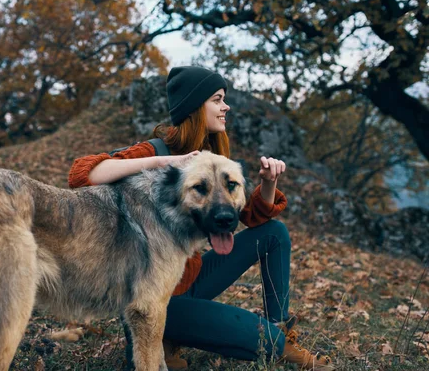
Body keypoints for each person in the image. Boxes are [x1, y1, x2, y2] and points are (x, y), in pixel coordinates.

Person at [67, 66, 334, 370]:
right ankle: (175, 338)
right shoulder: (157, 151)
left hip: (192, 280)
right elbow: (84, 174)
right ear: (195, 107)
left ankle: (280, 327)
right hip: (155, 298)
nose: (226, 107)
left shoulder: (213, 153)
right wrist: (168, 161)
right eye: (218, 99)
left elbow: (248, 217)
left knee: (274, 233)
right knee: (266, 341)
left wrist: (268, 182)